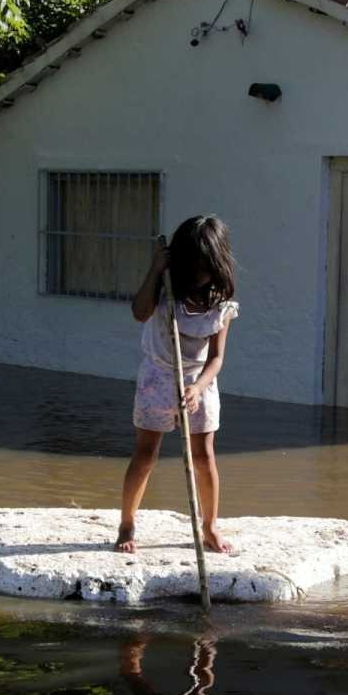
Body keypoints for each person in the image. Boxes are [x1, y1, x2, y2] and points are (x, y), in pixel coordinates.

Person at [116, 215, 239, 555]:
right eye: (192, 265)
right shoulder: (166, 287)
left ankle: (209, 526)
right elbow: (139, 313)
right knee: (145, 454)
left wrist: (197, 388)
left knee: (203, 456)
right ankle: (127, 523)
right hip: (157, 377)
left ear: (216, 262)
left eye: (204, 266)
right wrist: (156, 270)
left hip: (199, 382)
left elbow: (216, 358)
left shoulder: (220, 301)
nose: (198, 273)